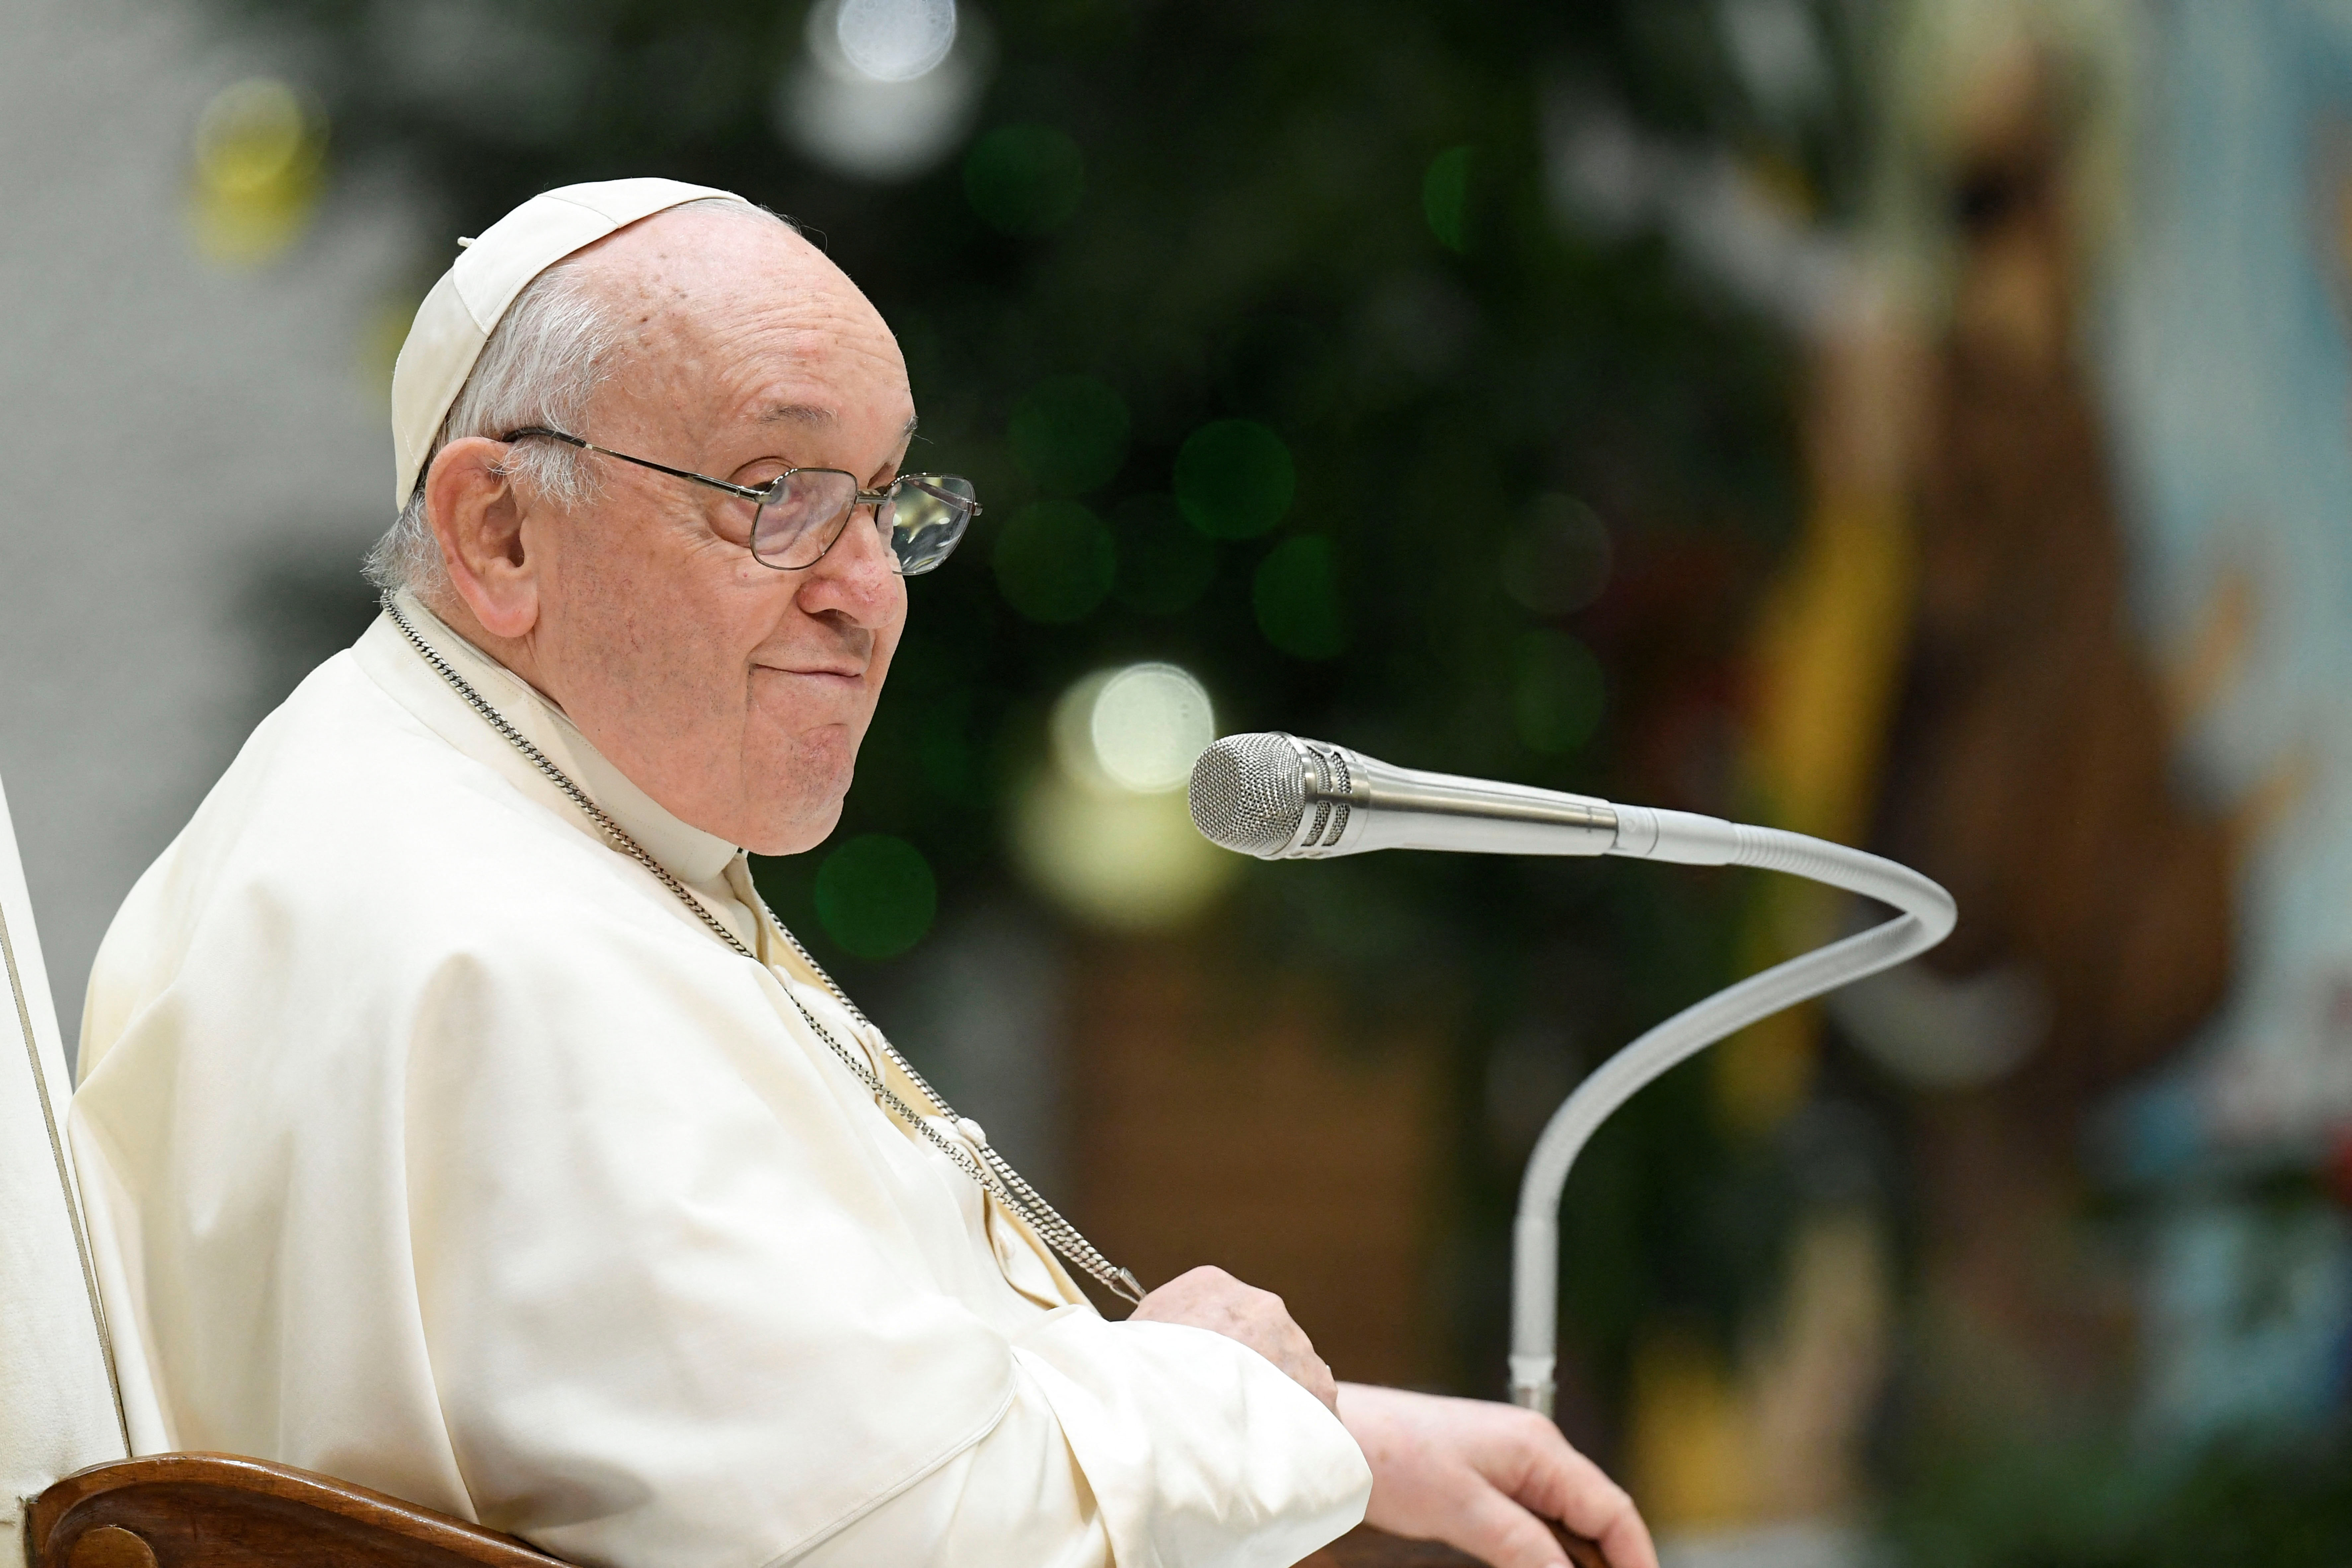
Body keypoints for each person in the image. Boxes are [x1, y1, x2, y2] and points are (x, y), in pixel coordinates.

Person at [68, 179, 1655, 1568]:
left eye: (889, 508)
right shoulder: (485, 944)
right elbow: (913, 1536)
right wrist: (1225, 1395)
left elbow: (789, 1422)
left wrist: (1351, 1442)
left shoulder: (455, 804)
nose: (866, 597)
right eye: (774, 493)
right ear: (498, 532)